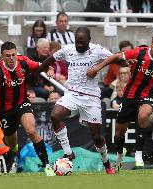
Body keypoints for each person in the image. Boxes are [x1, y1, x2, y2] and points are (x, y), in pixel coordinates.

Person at [86, 30, 153, 169]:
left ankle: (138, 153)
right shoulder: (140, 53)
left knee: (144, 115)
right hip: (130, 95)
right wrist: (97, 68)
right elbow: (115, 57)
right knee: (119, 134)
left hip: (149, 93)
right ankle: (120, 153)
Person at [42, 27, 116, 174]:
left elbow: (117, 57)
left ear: (89, 40)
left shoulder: (97, 50)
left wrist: (98, 68)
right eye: (77, 42)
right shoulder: (67, 50)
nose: (79, 45)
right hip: (73, 94)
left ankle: (107, 163)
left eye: (82, 42)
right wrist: (48, 67)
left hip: (91, 98)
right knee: (55, 115)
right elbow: (49, 60)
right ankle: (68, 152)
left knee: (96, 137)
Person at [0, 41, 55, 176]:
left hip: (22, 103)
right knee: (11, 143)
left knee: (31, 130)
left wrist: (50, 69)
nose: (11, 58)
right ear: (2, 56)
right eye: (8, 56)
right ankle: (14, 152)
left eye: (13, 55)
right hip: (4, 110)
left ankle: (47, 166)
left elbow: (42, 66)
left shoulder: (24, 62)